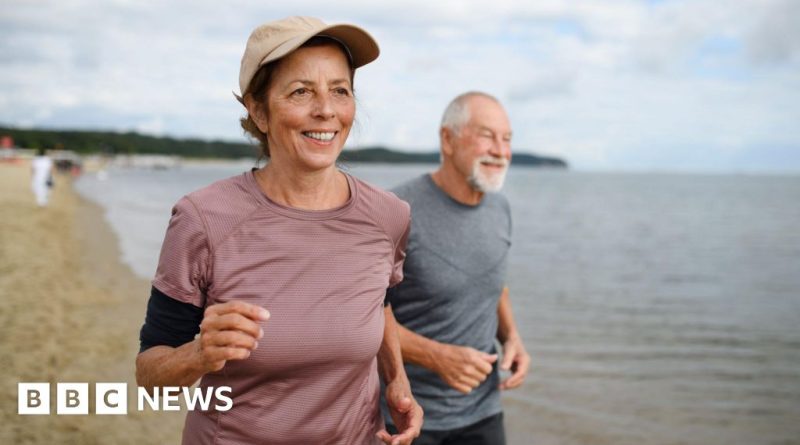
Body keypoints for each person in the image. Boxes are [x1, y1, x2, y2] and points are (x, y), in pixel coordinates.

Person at [135, 16, 422, 445]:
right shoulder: (203, 219)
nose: (326, 109)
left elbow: (377, 304)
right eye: (301, 91)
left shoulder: (388, 216)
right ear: (258, 110)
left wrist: (397, 379)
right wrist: (198, 355)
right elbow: (149, 377)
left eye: (340, 90)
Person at [382, 92, 530, 444]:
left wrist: (512, 336)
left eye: (507, 138)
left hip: (484, 412)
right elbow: (361, 314)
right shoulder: (396, 211)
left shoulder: (501, 209)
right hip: (408, 416)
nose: (500, 150)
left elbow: (492, 281)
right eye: (486, 135)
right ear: (447, 139)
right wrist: (435, 356)